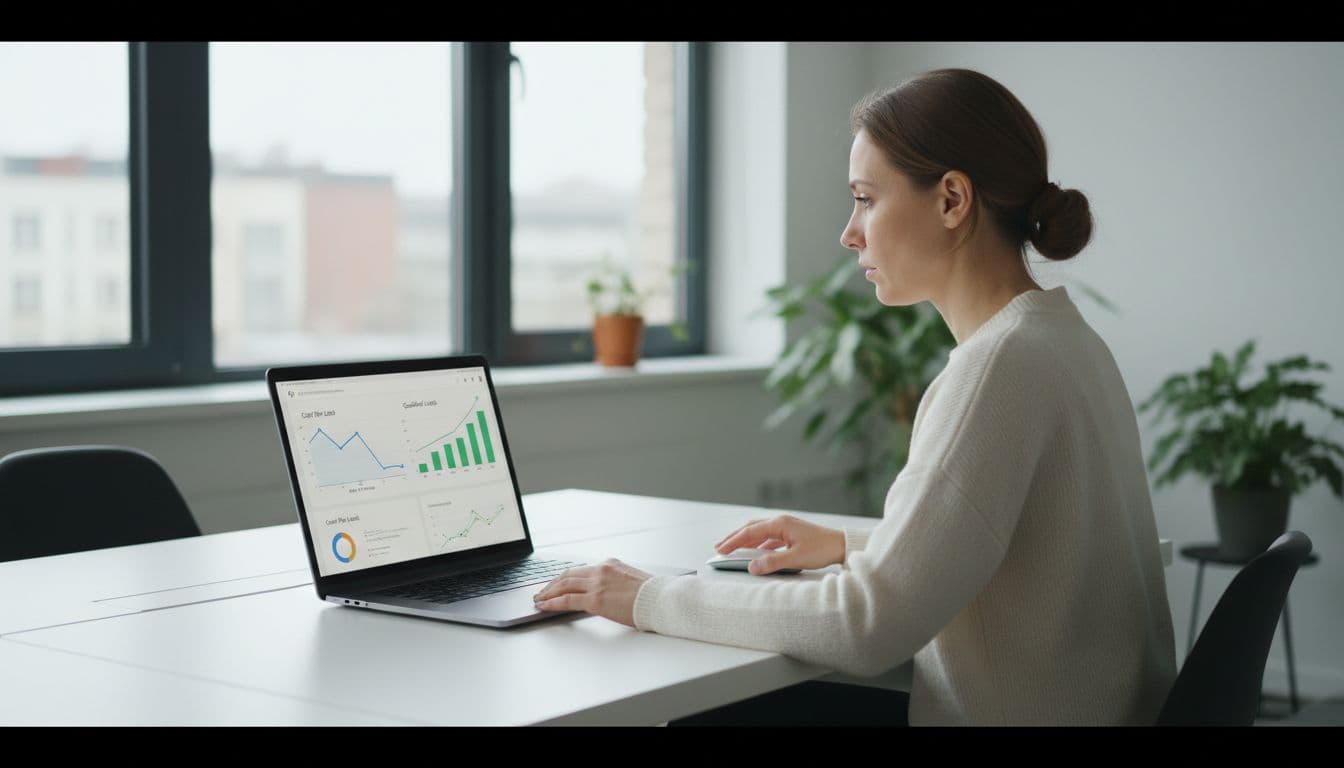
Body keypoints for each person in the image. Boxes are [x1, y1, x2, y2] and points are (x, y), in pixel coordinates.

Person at [531, 67, 1177, 726]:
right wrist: (852, 544)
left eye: (866, 198)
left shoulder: (997, 369)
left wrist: (650, 597)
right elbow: (1014, 552)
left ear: (952, 200)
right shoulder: (1061, 338)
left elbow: (865, 626)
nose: (850, 232)